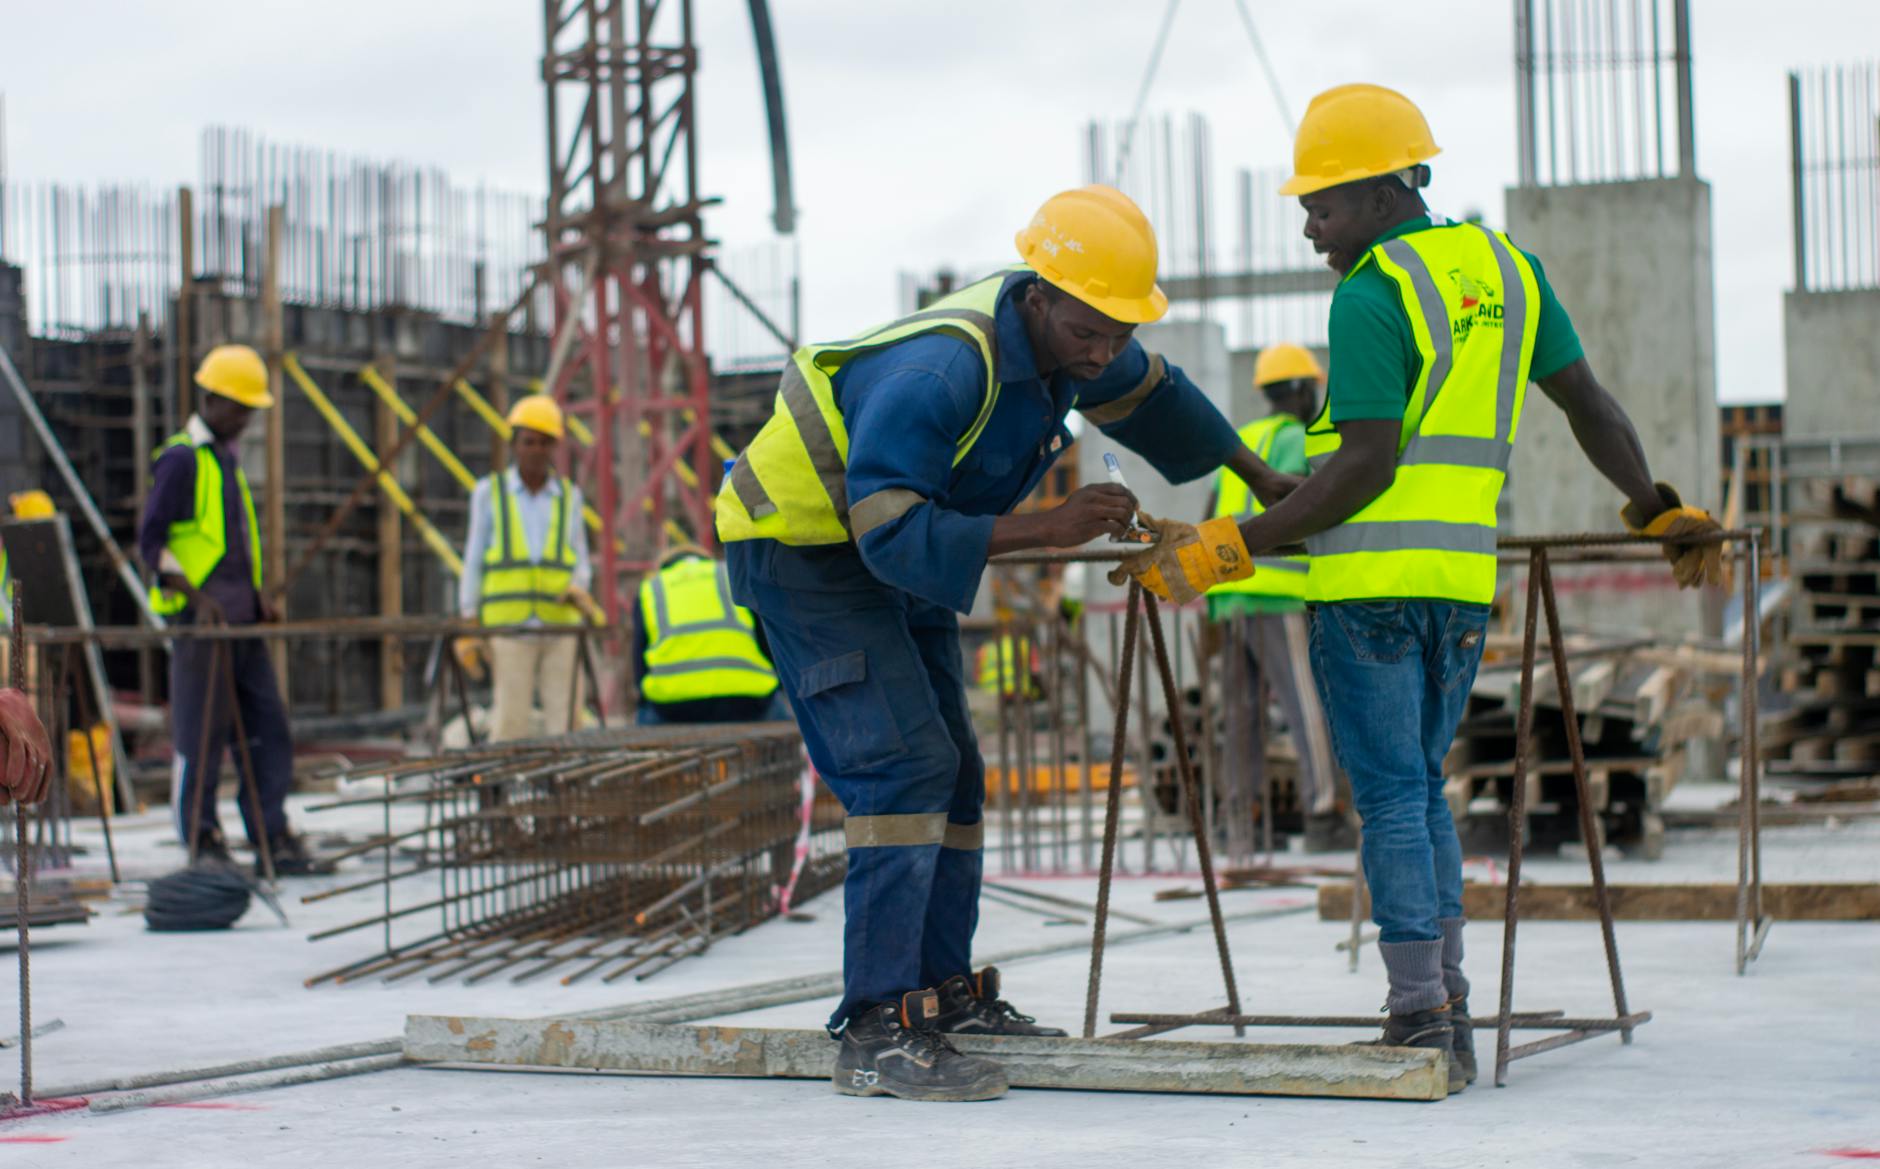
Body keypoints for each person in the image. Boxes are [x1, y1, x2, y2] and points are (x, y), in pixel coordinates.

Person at [1122, 83, 1723, 1093]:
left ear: (1379, 188)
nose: (1310, 226)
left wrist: (1225, 547)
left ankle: (1420, 1017)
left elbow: (1361, 465)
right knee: (1421, 790)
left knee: (1392, 796)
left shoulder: (1368, 292)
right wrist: (1651, 502)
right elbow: (1589, 404)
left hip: (1367, 589)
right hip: (1456, 588)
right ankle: (1442, 990)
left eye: (1320, 204)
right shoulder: (1508, 270)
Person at [715, 185, 1273, 1101]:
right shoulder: (943, 372)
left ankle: (940, 998)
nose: (1102, 354)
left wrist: (1265, 477)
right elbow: (886, 529)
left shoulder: (1080, 337)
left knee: (957, 772)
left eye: (1116, 335)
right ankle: (874, 1026)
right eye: (1089, 332)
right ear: (1039, 297)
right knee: (903, 766)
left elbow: (1159, 401)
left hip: (902, 541)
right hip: (807, 548)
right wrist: (1050, 528)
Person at [137, 344, 315, 875]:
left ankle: (270, 834)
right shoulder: (181, 459)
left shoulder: (224, 461)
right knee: (200, 734)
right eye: (239, 408)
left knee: (267, 727)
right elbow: (152, 542)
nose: (245, 420)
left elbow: (229, 541)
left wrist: (257, 595)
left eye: (250, 410)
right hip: (201, 625)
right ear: (211, 400)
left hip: (241, 625)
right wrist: (197, 598)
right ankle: (201, 837)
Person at [1204, 345, 1344, 852]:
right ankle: (1323, 816)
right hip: (1277, 592)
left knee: (1240, 715)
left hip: (1230, 596)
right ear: (1305, 389)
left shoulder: (1242, 440)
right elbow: (1309, 504)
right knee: (1305, 705)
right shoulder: (1295, 438)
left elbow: (1210, 511)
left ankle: (1238, 822)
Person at [456, 394, 598, 742]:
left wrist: (579, 586)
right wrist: (469, 618)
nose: (536, 450)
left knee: (566, 722)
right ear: (514, 445)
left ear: (555, 448)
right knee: (510, 722)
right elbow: (474, 557)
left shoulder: (569, 497)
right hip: (510, 627)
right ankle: (505, 793)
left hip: (560, 624)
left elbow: (579, 557)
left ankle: (567, 791)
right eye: (529, 442)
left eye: (544, 442)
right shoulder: (489, 493)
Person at [633, 545, 783, 724]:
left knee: (645, 713)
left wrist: (643, 699)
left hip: (675, 706)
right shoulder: (731, 575)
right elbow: (767, 641)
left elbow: (639, 659)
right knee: (782, 713)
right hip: (746, 700)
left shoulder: (651, 588)